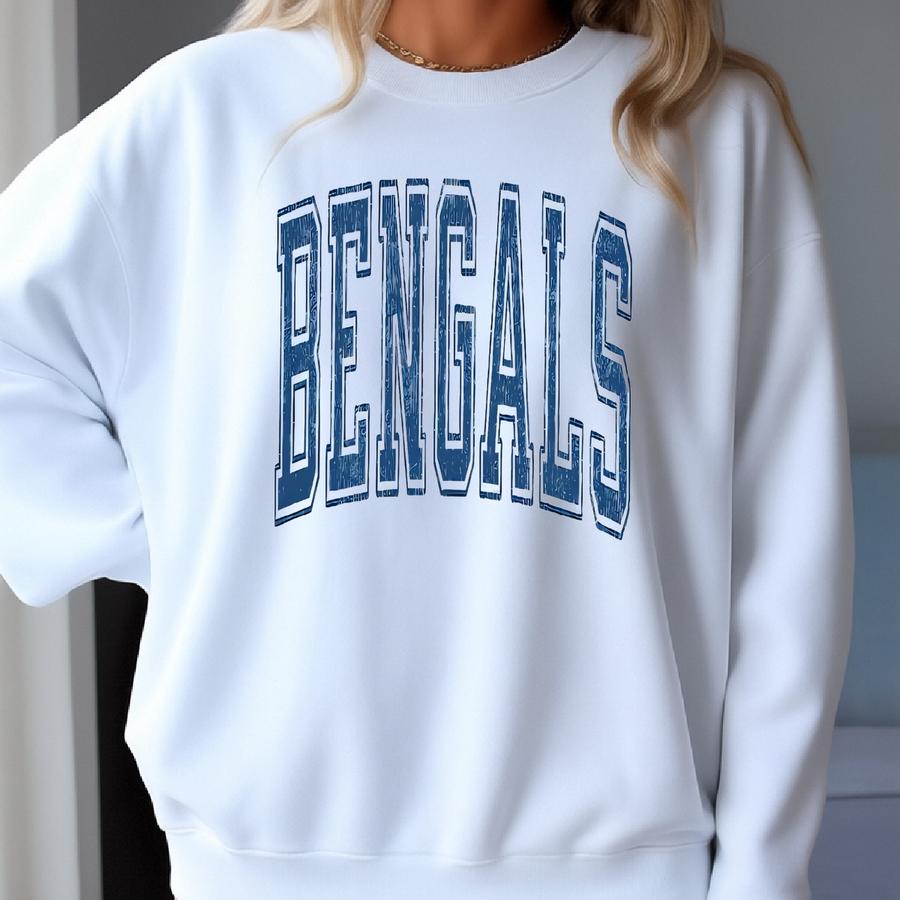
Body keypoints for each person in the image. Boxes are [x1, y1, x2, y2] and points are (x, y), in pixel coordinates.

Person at [0, 1, 855, 898]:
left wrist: (763, 878)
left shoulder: (713, 131)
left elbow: (786, 561)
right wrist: (189, 547)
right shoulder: (205, 115)